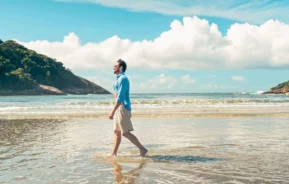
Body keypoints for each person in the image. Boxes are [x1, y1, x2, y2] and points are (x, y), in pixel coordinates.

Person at [109, 59, 148, 157]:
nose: (113, 67)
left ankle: (142, 149)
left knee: (125, 133)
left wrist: (112, 112)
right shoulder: (117, 80)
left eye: (115, 66)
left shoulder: (123, 79)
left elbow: (120, 97)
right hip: (119, 108)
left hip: (123, 108)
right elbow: (116, 94)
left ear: (121, 68)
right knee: (117, 132)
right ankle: (113, 153)